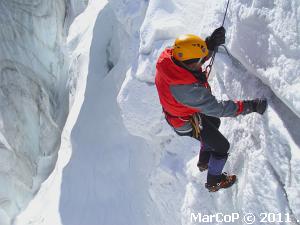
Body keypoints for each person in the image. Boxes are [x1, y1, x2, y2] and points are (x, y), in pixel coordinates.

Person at [155, 27, 267, 192]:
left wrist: (210, 44)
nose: (203, 62)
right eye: (200, 61)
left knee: (213, 122)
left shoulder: (173, 58)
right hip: (185, 122)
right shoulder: (185, 89)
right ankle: (214, 181)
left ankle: (205, 161)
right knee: (222, 146)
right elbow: (217, 108)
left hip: (183, 113)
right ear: (190, 63)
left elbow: (191, 59)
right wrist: (250, 106)